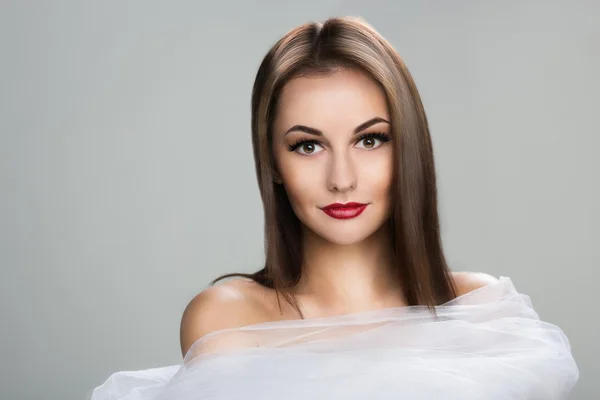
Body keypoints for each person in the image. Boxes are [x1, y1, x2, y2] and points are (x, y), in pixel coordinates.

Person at [88, 16, 579, 399]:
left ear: (409, 148)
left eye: (371, 140)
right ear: (272, 162)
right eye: (308, 146)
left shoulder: (484, 310)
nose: (342, 179)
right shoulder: (229, 321)